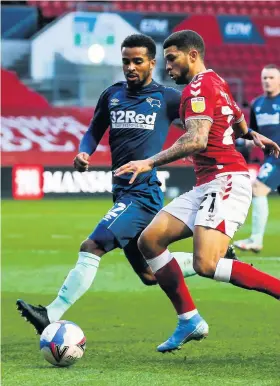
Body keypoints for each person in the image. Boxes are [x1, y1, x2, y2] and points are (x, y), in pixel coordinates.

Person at [16, 34, 237, 335]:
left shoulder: (168, 98)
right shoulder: (112, 95)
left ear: (151, 63)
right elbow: (95, 128)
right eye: (125, 61)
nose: (130, 67)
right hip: (122, 191)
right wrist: (84, 151)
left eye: (137, 61)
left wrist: (249, 136)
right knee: (149, 273)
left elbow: (209, 123)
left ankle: (50, 313)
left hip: (142, 193)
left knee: (92, 245)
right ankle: (218, 258)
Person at [115, 30, 280, 353]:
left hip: (226, 179)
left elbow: (196, 140)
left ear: (192, 55)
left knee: (206, 264)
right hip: (207, 183)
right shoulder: (215, 80)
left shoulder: (198, 88)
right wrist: (251, 135)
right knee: (149, 240)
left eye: (172, 59)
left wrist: (149, 161)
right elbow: (234, 116)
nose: (168, 67)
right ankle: (189, 319)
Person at [234, 64, 280, 253]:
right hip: (271, 157)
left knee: (258, 189)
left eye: (271, 78)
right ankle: (256, 239)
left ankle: (256, 239)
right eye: (264, 78)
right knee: (258, 189)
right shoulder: (257, 104)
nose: (267, 81)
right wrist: (242, 142)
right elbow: (254, 134)